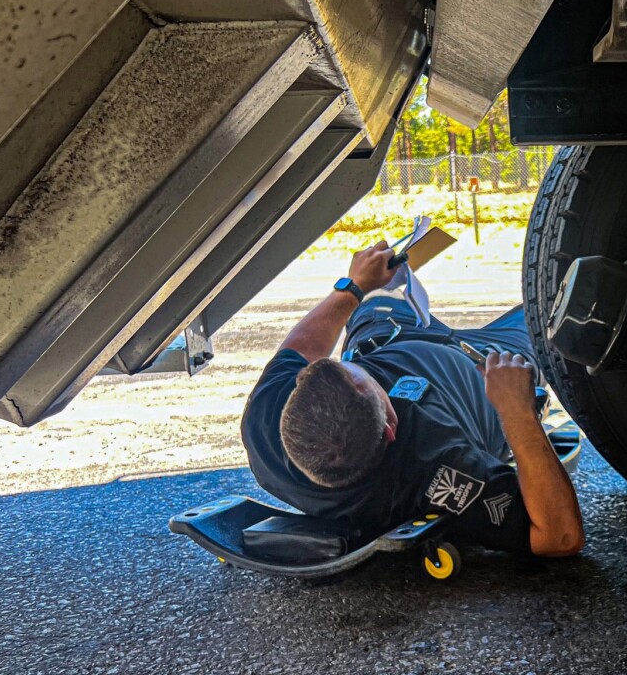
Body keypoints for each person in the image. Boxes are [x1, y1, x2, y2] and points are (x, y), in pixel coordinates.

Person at [240, 239, 585, 558]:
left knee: (378, 293)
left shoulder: (265, 420)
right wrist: (517, 412)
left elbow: (302, 349)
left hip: (387, 335)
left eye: (345, 365)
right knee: (559, 308)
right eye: (371, 379)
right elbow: (561, 537)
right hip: (489, 364)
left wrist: (354, 287)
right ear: (391, 427)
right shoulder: (437, 472)